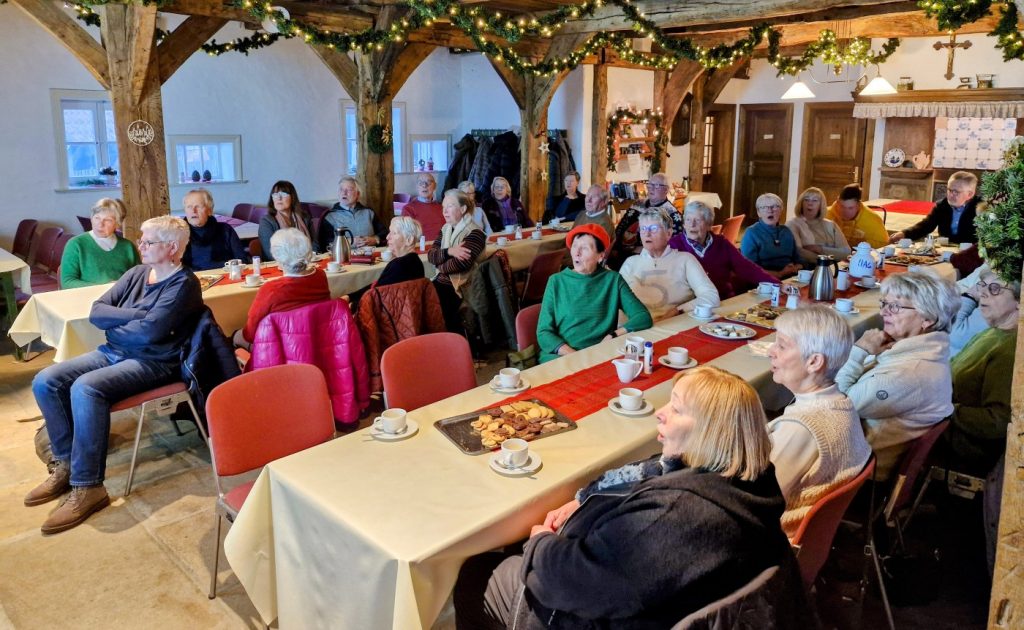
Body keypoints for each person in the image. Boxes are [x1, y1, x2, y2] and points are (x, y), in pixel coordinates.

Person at [454, 366, 791, 630]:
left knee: (474, 572)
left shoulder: (676, 516)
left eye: (677, 409)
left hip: (594, 614)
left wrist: (540, 544)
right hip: (659, 599)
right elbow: (651, 471)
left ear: (709, 433)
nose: (660, 412)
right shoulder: (748, 478)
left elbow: (576, 584)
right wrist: (585, 499)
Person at [26, 216, 203, 534]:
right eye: (142, 240)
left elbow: (151, 334)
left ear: (172, 247)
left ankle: (89, 485)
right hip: (114, 352)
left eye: (148, 242)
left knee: (86, 388)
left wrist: (123, 324)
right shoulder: (137, 274)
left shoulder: (184, 284)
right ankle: (66, 464)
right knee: (46, 380)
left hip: (156, 363)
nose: (141, 247)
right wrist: (137, 315)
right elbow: (97, 311)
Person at [835, 269, 959, 477]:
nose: (883, 312)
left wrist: (859, 352)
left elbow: (834, 408)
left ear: (927, 318)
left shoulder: (910, 373)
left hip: (856, 474)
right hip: (858, 455)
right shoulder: (924, 352)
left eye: (895, 307)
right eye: (884, 304)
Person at [766, 306, 871, 538]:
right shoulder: (840, 403)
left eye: (781, 345)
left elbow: (755, 496)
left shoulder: (802, 427)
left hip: (773, 542)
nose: (770, 351)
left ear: (814, 362)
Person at [537, 224, 651, 362]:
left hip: (599, 356)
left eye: (584, 248)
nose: (577, 252)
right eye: (574, 246)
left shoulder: (613, 280)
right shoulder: (556, 281)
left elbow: (643, 317)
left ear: (601, 256)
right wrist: (574, 355)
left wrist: (613, 335)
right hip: (561, 356)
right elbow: (543, 333)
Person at [946, 270, 1019, 476]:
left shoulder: (1009, 349)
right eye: (982, 286)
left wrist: (945, 411)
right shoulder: (994, 332)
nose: (983, 294)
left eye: (995, 289)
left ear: (1020, 302)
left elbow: (998, 420)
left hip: (965, 448)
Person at [619, 208, 720, 320]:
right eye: (643, 229)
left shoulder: (685, 260)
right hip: (634, 329)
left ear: (668, 233)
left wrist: (678, 310)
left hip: (673, 325)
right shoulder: (631, 263)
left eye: (653, 228)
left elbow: (711, 296)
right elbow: (615, 300)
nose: (647, 234)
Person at [237, 228, 330, 349]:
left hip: (281, 348)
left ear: (278, 258)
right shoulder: (320, 276)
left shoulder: (271, 290)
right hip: (318, 340)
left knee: (236, 335)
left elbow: (250, 335)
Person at [668, 200, 777, 299]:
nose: (692, 225)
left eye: (697, 220)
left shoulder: (721, 243)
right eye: (688, 220)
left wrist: (776, 285)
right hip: (690, 305)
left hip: (723, 300)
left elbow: (746, 267)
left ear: (709, 224)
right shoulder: (674, 246)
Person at [427, 189, 487, 335]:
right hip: (441, 281)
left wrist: (440, 264)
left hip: (461, 287)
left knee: (432, 304)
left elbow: (459, 265)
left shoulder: (475, 233)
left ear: (463, 209)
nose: (444, 211)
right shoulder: (445, 229)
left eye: (450, 206)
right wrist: (450, 251)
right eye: (443, 207)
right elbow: (431, 256)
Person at [60, 198, 140, 288]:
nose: (100, 224)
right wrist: (104, 288)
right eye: (97, 218)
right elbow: (67, 282)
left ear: (117, 224)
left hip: (122, 298)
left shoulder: (128, 246)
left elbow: (139, 278)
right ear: (91, 219)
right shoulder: (76, 244)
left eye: (108, 220)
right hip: (87, 298)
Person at [610, 172, 683, 269]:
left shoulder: (672, 214)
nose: (650, 188)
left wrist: (644, 250)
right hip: (622, 253)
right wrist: (614, 247)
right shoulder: (638, 204)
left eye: (656, 185)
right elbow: (621, 226)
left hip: (648, 260)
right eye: (649, 184)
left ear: (666, 190)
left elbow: (673, 243)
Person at [890, 171, 980, 244]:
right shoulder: (942, 205)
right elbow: (926, 225)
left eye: (956, 192)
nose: (951, 195)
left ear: (970, 194)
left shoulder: (982, 208)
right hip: (945, 250)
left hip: (972, 252)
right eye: (949, 190)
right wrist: (904, 233)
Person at [180, 188, 249, 270]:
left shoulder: (225, 230)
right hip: (193, 279)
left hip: (225, 275)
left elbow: (242, 260)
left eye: (198, 206)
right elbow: (176, 268)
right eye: (189, 207)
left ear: (209, 210)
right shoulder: (179, 233)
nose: (193, 211)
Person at [740, 193, 803, 279]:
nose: (770, 210)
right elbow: (751, 269)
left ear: (781, 211)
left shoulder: (786, 231)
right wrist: (780, 273)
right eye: (764, 207)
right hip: (763, 282)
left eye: (775, 206)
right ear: (759, 213)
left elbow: (799, 261)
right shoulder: (751, 233)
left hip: (791, 278)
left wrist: (794, 268)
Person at [317, 176, 386, 252]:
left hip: (371, 255)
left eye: (349, 190)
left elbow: (384, 233)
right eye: (341, 189)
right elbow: (325, 243)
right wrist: (349, 242)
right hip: (344, 258)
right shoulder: (330, 217)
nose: (344, 193)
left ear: (358, 194)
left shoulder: (369, 213)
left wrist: (375, 240)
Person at [787, 187, 851, 265]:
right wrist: (827, 261)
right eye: (806, 200)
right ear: (801, 203)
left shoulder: (831, 225)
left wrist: (819, 249)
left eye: (815, 200)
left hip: (832, 269)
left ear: (821, 205)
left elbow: (846, 252)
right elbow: (799, 252)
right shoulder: (792, 224)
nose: (810, 203)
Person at [258, 180, 316, 261]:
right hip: (280, 266)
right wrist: (296, 262)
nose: (279, 198)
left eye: (283, 194)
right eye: (275, 194)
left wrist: (309, 260)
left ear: (292, 198)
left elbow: (315, 244)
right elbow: (271, 253)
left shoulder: (305, 217)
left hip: (308, 262)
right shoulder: (267, 221)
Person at [825, 183, 888, 249]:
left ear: (858, 205)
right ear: (838, 202)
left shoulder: (872, 219)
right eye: (842, 206)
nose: (846, 212)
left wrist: (861, 243)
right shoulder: (827, 213)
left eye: (850, 208)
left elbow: (884, 244)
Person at [376, 216, 426, 287]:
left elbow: (376, 293)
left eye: (394, 233)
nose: (387, 237)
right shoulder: (416, 262)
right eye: (390, 232)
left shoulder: (399, 265)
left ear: (409, 240)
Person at [402, 173, 446, 241]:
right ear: (417, 186)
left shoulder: (442, 207)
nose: (424, 185)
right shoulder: (408, 209)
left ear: (435, 186)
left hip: (443, 244)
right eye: (421, 183)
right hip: (422, 246)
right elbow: (408, 235)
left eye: (429, 182)